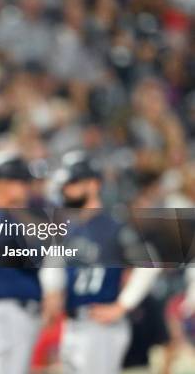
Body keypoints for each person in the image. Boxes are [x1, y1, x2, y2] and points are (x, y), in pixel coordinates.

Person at [41, 151, 161, 374]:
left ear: (94, 184)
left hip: (101, 327)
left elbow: (150, 264)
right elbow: (52, 263)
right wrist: (52, 290)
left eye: (73, 183)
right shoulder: (68, 226)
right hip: (72, 323)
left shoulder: (114, 225)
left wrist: (123, 305)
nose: (66, 190)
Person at [0, 151, 43, 374]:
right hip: (9, 312)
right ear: (5, 183)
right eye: (23, 183)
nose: (27, 189)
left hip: (12, 312)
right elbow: (34, 259)